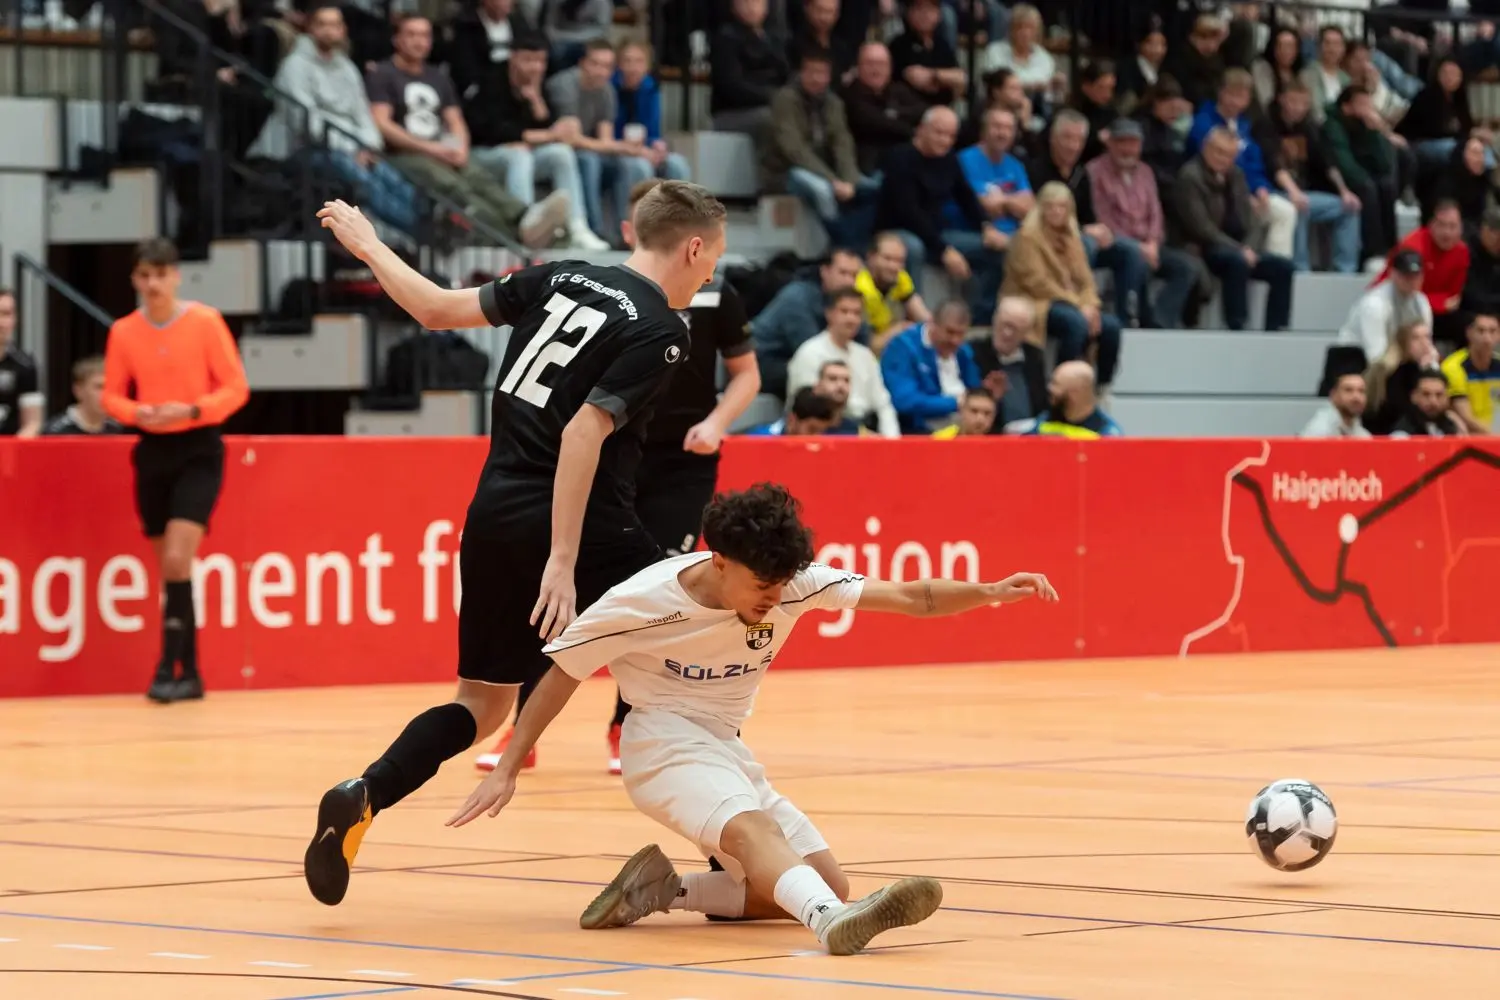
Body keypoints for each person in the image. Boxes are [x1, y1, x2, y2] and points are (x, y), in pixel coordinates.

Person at [303, 181, 728, 908]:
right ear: (693, 247)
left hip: (495, 508)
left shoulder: (562, 274)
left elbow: (436, 308)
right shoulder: (663, 328)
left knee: (482, 704)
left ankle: (365, 792)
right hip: (586, 523)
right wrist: (564, 559)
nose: (712, 274)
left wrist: (369, 243)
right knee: (702, 654)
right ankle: (734, 857)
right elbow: (583, 432)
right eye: (713, 259)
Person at [447, 484, 1058, 955]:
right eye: (761, 583)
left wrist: (989, 591)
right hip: (661, 741)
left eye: (782, 582)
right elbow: (562, 673)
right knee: (754, 839)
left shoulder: (792, 586)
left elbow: (908, 596)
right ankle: (830, 926)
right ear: (719, 561)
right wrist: (508, 766)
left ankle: (662, 890)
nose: (774, 596)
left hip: (725, 745)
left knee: (823, 878)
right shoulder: (643, 601)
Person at [475, 177, 762, 776]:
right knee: (557, 591)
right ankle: (521, 732)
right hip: (615, 456)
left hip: (682, 464)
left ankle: (624, 728)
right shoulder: (621, 300)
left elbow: (747, 377)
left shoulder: (716, 295)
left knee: (658, 598)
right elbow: (584, 416)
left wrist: (715, 423)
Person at [100, 238, 250, 703]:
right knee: (169, 567)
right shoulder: (124, 331)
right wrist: (137, 413)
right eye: (144, 276)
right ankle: (191, 672)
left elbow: (235, 388)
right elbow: (111, 394)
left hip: (196, 446)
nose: (152, 284)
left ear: (176, 275)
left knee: (177, 559)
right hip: (152, 448)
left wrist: (191, 410)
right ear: (134, 279)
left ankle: (169, 665)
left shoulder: (204, 322)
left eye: (160, 275)